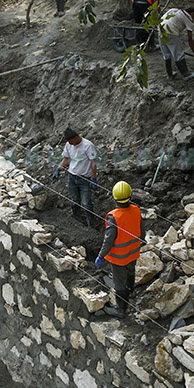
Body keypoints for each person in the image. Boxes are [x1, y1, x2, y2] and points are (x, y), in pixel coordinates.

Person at [94, 181, 143, 318]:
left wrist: (101, 255)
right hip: (133, 252)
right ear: (130, 197)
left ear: (114, 199)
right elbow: (141, 230)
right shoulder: (136, 209)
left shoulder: (113, 216)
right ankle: (131, 292)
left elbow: (108, 239)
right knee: (131, 271)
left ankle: (121, 310)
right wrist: (141, 242)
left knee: (119, 282)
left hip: (119, 257)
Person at [53, 127, 98, 240]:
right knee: (74, 201)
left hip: (84, 179)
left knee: (86, 203)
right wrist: (59, 168)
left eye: (70, 141)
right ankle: (77, 222)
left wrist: (94, 177)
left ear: (76, 137)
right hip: (72, 177)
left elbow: (93, 163)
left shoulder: (88, 145)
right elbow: (66, 159)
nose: (69, 144)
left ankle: (91, 226)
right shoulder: (69, 145)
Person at [159, 6, 194, 80]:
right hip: (171, 32)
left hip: (160, 31)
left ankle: (169, 75)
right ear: (192, 14)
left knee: (166, 54)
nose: (193, 20)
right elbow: (190, 39)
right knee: (178, 54)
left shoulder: (173, 10)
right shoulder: (187, 17)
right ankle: (186, 74)